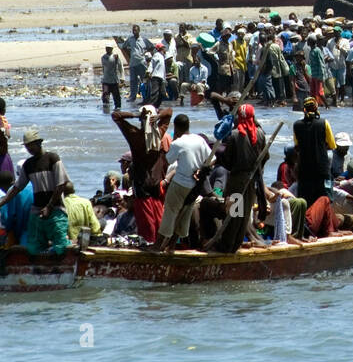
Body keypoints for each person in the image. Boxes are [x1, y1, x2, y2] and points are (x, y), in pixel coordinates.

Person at [0, 128, 72, 256]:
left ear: (39, 143)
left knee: (61, 246)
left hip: (56, 209)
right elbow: (17, 188)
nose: (29, 149)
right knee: (33, 248)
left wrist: (49, 207)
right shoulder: (28, 165)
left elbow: (61, 185)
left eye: (31, 145)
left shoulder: (53, 159)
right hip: (37, 211)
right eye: (27, 146)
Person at [210, 104, 269, 253]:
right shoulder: (260, 133)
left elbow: (228, 160)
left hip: (237, 180)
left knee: (235, 214)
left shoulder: (235, 135)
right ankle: (235, 244)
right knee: (244, 215)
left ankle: (227, 246)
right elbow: (265, 157)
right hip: (252, 180)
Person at [110, 106, 172, 244]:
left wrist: (135, 115)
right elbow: (169, 112)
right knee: (158, 224)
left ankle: (150, 250)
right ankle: (159, 248)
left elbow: (116, 115)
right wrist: (159, 116)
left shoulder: (135, 135)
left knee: (147, 228)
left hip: (142, 187)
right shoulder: (158, 134)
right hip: (156, 185)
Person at [156, 114, 212, 252]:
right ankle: (172, 245)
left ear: (176, 127)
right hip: (195, 186)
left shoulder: (177, 143)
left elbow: (168, 160)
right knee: (184, 214)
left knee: (170, 212)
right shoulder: (199, 139)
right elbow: (212, 159)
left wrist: (175, 140)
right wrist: (199, 169)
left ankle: (157, 245)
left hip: (180, 183)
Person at [123, 25, 150, 104]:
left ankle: (146, 96)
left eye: (136, 31)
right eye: (133, 31)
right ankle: (133, 96)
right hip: (133, 63)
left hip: (142, 62)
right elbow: (124, 46)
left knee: (144, 79)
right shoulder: (130, 39)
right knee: (133, 81)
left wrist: (144, 53)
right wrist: (129, 54)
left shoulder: (143, 40)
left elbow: (151, 47)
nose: (135, 32)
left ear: (139, 31)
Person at [101, 43, 124, 112]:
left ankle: (118, 108)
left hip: (114, 80)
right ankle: (106, 109)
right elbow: (103, 68)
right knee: (105, 95)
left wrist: (122, 77)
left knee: (116, 95)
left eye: (109, 48)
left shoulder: (115, 56)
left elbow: (120, 67)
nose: (107, 49)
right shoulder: (103, 57)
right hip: (106, 80)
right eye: (106, 48)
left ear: (112, 49)